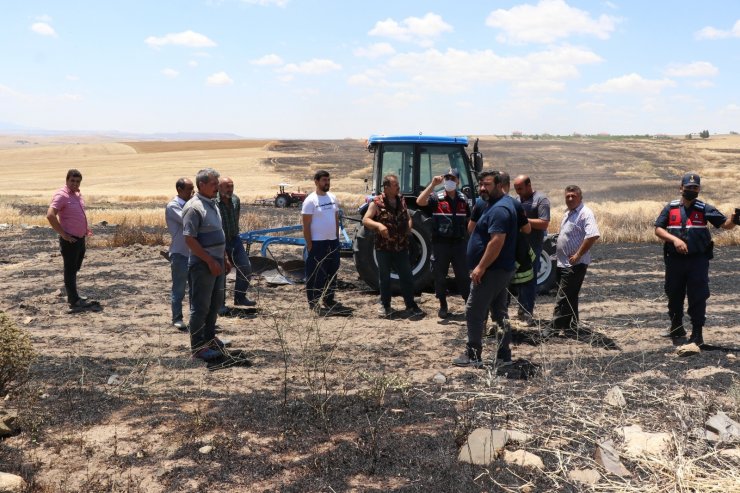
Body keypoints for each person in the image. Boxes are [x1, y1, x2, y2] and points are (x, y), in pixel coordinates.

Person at [654, 172, 738, 346]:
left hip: (698, 261)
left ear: (699, 189)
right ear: (681, 188)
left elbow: (725, 225)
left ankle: (697, 334)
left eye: (695, 187)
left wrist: (734, 219)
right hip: (675, 260)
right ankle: (676, 327)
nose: (692, 190)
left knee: (698, 296)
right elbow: (658, 229)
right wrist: (675, 240)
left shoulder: (704, 208)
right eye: (688, 187)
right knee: (673, 293)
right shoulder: (671, 207)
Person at [453, 170, 519, 367]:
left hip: (492, 270)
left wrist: (480, 267)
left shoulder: (500, 209)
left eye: (487, 184)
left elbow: (497, 242)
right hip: (499, 269)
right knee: (499, 312)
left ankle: (473, 355)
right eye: (480, 184)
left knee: (473, 311)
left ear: (499, 185)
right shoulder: (494, 204)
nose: (482, 188)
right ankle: (504, 354)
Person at [183, 168, 232, 362]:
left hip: (217, 262)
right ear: (201, 185)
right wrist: (210, 260)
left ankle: (210, 339)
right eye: (213, 184)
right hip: (203, 265)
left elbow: (219, 233)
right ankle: (198, 348)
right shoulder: (194, 207)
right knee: (201, 307)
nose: (217, 188)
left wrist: (224, 257)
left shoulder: (213, 205)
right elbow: (190, 239)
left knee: (214, 305)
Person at [362, 174, 424, 318]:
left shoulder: (401, 200)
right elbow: (366, 220)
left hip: (401, 247)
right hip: (384, 248)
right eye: (395, 185)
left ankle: (410, 305)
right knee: (384, 278)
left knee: (407, 276)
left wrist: (409, 226)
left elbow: (408, 216)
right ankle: (385, 305)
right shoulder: (376, 203)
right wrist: (378, 225)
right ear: (387, 187)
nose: (398, 187)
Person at [416, 168, 471, 318]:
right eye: (447, 178)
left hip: (459, 244)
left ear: (458, 181)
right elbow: (420, 201)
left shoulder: (463, 199)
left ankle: (468, 304)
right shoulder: (436, 198)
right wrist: (433, 184)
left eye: (453, 178)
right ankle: (443, 305)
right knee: (439, 276)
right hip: (441, 244)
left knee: (464, 276)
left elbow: (469, 221)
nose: (449, 181)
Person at [546, 185, 600, 337]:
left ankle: (553, 328)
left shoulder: (585, 213)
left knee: (562, 295)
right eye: (567, 196)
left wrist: (578, 255)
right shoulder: (568, 213)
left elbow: (593, 235)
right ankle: (571, 325)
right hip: (563, 262)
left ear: (580, 198)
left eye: (573, 196)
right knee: (570, 295)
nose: (570, 199)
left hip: (575, 263)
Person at [302, 170, 349, 314]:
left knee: (332, 271)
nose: (327, 183)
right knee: (316, 273)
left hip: (332, 242)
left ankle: (329, 299)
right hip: (317, 243)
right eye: (324, 180)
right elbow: (306, 225)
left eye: (328, 180)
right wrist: (310, 244)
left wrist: (336, 238)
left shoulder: (333, 198)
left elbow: (335, 219)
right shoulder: (310, 201)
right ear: (316, 181)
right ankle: (314, 301)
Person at [46, 169, 94, 310]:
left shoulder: (78, 195)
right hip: (69, 240)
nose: (74, 183)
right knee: (70, 269)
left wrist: (85, 229)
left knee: (75, 267)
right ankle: (74, 300)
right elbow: (50, 215)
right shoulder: (62, 195)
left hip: (80, 238)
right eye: (72, 180)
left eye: (77, 181)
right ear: (67, 180)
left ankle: (73, 294)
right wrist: (63, 234)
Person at [513, 175, 550, 325]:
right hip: (518, 247)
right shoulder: (516, 200)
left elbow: (544, 223)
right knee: (519, 279)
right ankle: (521, 310)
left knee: (529, 279)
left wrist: (524, 221)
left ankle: (527, 312)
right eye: (516, 190)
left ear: (529, 185)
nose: (518, 192)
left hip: (533, 247)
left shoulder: (541, 200)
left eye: (520, 189)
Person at [217, 177, 255, 314]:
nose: (230, 189)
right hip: (219, 241)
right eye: (227, 187)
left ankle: (240, 297)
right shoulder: (214, 203)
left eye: (232, 186)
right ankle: (219, 304)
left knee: (246, 267)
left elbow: (236, 218)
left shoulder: (235, 200)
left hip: (235, 239)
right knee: (221, 272)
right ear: (219, 187)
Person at [165, 178, 194, 330]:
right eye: (189, 189)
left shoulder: (190, 204)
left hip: (194, 253)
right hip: (180, 252)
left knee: (195, 289)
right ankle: (177, 317)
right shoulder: (173, 206)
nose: (192, 192)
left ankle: (195, 318)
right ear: (179, 190)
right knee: (179, 288)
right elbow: (188, 220)